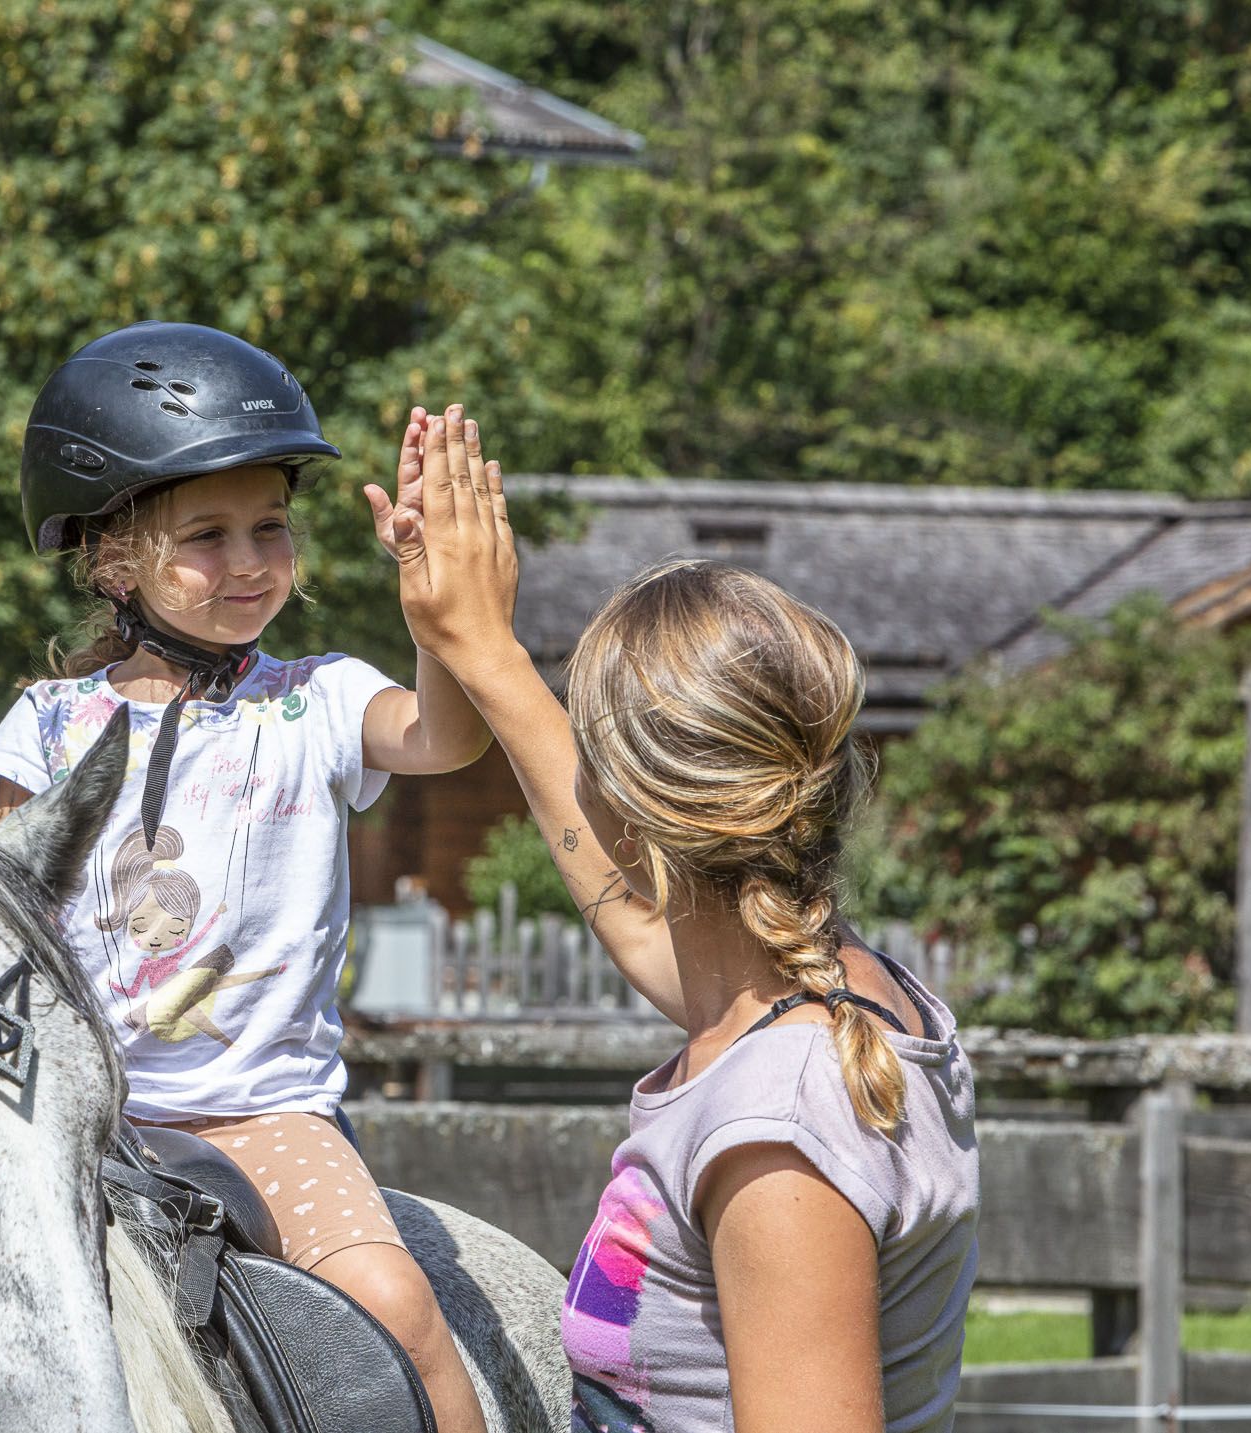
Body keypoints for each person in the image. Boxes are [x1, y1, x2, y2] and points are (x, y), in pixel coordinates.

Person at [384, 408, 979, 1431]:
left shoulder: (778, 1128)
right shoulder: (837, 992)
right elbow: (632, 918)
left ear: (625, 802)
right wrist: (480, 649)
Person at [0, 322, 494, 1432]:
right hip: (77, 1121)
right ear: (115, 560)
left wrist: (435, 619)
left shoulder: (317, 700)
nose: (251, 559)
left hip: (263, 1117)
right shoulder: (47, 726)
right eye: (207, 534)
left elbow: (445, 738)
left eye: (269, 526)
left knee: (398, 1305)